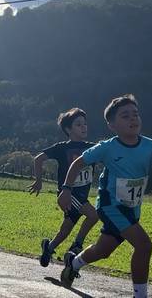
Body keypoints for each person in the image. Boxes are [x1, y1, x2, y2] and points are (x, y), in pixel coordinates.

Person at [58, 95, 152, 298]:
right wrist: (66, 189)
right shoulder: (107, 147)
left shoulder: (151, 146)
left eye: (135, 114)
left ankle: (73, 263)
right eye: (125, 116)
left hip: (132, 208)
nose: (133, 119)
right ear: (112, 125)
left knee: (103, 249)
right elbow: (77, 164)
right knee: (144, 245)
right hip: (110, 206)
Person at [28, 108, 97, 267]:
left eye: (85, 124)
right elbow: (38, 159)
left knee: (65, 230)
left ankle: (48, 247)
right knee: (93, 215)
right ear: (68, 129)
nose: (84, 127)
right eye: (78, 124)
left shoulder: (93, 148)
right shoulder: (61, 148)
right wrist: (39, 181)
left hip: (82, 196)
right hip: (68, 195)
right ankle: (77, 245)